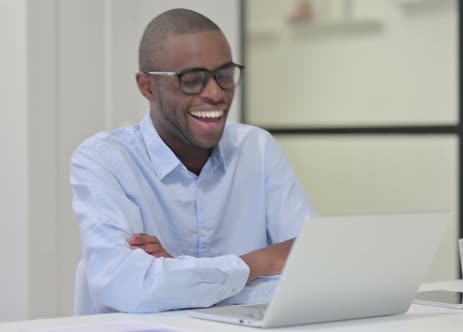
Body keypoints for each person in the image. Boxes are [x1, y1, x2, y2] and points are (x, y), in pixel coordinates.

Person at [70, 8, 315, 314]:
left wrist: (180, 277)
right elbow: (126, 287)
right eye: (192, 80)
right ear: (147, 86)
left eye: (225, 76)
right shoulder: (104, 160)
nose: (215, 93)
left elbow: (312, 274)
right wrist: (258, 262)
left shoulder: (258, 149)